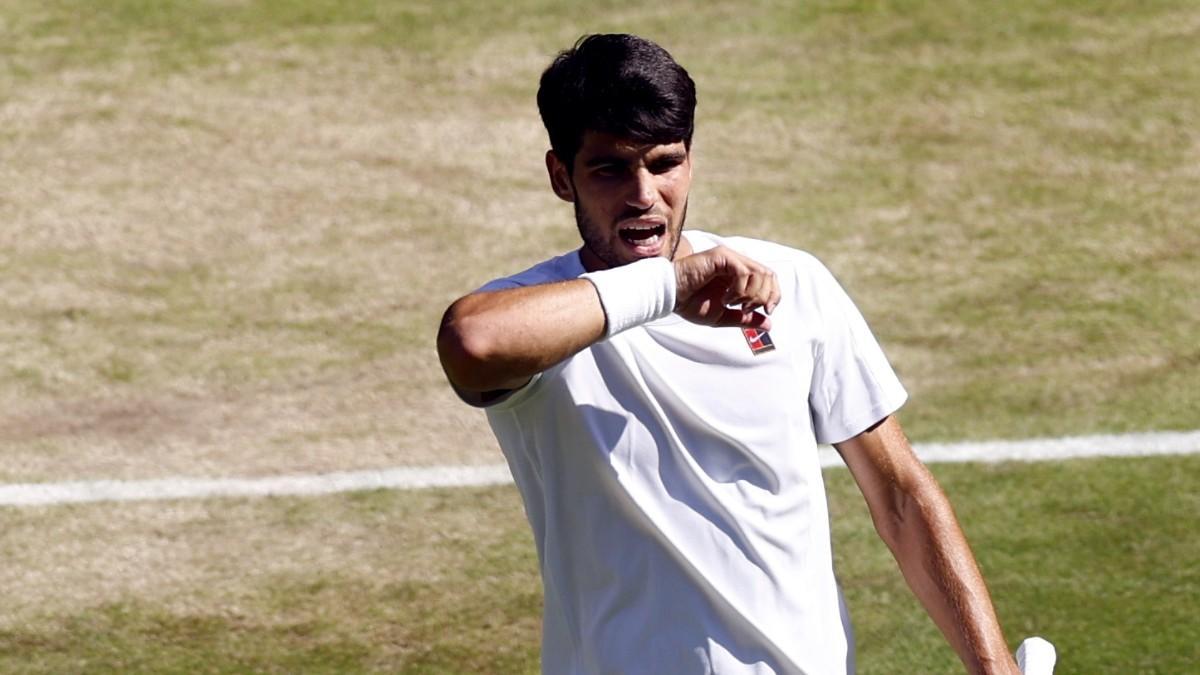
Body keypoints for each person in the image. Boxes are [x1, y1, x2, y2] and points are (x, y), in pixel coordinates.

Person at [437, 33, 1022, 674]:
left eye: (665, 163)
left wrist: (995, 667)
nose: (643, 194)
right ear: (560, 176)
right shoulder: (539, 315)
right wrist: (669, 287)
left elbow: (901, 495)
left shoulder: (795, 282)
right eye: (610, 169)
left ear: (690, 162)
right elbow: (473, 342)